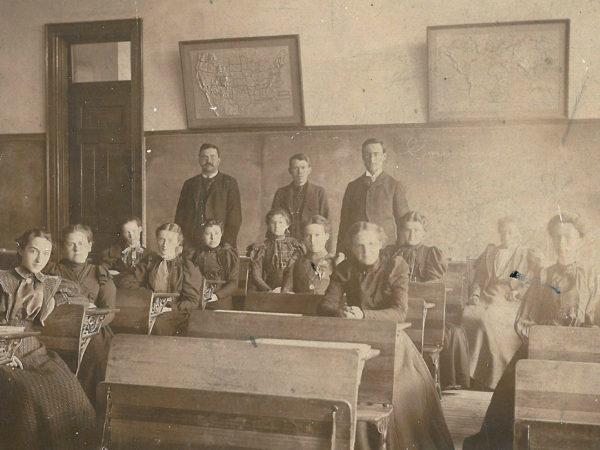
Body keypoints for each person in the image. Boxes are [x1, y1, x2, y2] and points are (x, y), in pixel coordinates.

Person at [463, 212, 599, 450]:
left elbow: (595, 317)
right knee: (512, 390)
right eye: (557, 238)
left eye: (568, 237)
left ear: (580, 240)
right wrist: (543, 337)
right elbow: (526, 317)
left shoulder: (592, 276)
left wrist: (579, 339)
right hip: (541, 347)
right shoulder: (542, 273)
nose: (562, 244)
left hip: (582, 352)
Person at [319, 222, 454, 449]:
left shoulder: (394, 266)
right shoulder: (346, 268)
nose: (366, 251)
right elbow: (326, 305)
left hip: (392, 340)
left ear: (380, 244)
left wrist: (364, 314)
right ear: (352, 248)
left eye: (371, 244)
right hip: (353, 337)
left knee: (396, 395)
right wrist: (339, 312)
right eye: (359, 245)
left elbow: (399, 312)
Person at [0, 229, 96, 449]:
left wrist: (61, 300)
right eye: (33, 250)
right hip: (3, 350)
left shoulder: (50, 283)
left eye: (46, 252)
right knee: (27, 393)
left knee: (70, 387)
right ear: (21, 249)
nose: (39, 258)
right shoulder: (2, 279)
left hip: (35, 350)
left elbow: (79, 295)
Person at [392, 211, 470, 390]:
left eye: (417, 230)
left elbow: (431, 288)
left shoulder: (431, 254)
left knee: (453, 333)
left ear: (424, 232)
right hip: (396, 307)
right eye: (408, 230)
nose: (412, 235)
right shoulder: (391, 252)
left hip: (422, 308)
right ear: (401, 231)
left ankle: (446, 381)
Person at [461, 216, 541, 390]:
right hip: (487, 294)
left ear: (518, 234)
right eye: (504, 232)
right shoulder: (491, 252)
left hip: (507, 298)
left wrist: (518, 292)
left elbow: (527, 279)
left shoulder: (522, 254)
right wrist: (475, 294)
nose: (507, 235)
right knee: (469, 315)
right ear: (499, 233)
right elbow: (481, 277)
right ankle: (469, 376)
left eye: (511, 232)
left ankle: (492, 378)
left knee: (488, 320)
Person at [45, 224, 116, 405]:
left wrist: (90, 324)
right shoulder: (53, 272)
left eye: (81, 243)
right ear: (62, 247)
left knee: (95, 353)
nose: (76, 248)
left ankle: (89, 405)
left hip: (93, 330)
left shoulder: (100, 272)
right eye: (70, 244)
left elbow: (109, 310)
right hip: (59, 329)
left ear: (90, 246)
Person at [123, 223, 204, 336]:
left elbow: (192, 302)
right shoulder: (150, 262)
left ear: (178, 242)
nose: (165, 245)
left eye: (170, 240)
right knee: (129, 322)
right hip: (150, 308)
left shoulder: (186, 266)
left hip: (176, 312)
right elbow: (127, 282)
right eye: (162, 239)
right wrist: (149, 296)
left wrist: (169, 308)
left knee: (158, 324)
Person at [336, 138, 409, 257]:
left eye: (376, 154)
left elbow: (403, 224)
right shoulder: (353, 187)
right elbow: (344, 224)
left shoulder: (394, 186)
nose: (372, 159)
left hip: (385, 251)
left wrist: (401, 253)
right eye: (368, 154)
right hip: (357, 250)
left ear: (384, 156)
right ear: (363, 157)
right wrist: (340, 252)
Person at [175, 143, 242, 248]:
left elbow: (235, 216)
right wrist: (181, 242)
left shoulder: (229, 183)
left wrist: (226, 243)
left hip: (220, 244)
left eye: (212, 157)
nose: (208, 161)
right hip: (192, 245)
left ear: (219, 160)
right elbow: (180, 216)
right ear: (199, 160)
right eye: (204, 157)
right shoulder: (189, 184)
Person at [271, 153, 330, 241]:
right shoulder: (281, 193)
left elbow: (326, 224)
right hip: (286, 244)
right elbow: (273, 221)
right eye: (295, 168)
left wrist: (327, 252)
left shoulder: (319, 192)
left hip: (310, 244)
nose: (300, 172)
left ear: (309, 170)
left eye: (303, 168)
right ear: (290, 171)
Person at [248, 208, 303, 292]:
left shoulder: (295, 246)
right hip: (268, 288)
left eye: (280, 222)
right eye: (273, 222)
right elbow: (256, 275)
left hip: (291, 289)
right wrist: (268, 290)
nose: (277, 226)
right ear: (268, 225)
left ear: (287, 225)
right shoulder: (262, 247)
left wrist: (285, 290)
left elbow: (294, 272)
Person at [189, 220, 239, 310]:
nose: (213, 238)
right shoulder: (198, 254)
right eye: (208, 234)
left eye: (216, 233)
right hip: (199, 298)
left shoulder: (229, 254)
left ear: (221, 234)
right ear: (202, 236)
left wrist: (216, 296)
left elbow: (233, 283)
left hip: (221, 299)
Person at [282, 215, 336, 295]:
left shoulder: (335, 262)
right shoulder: (295, 263)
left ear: (326, 237)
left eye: (317, 235)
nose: (312, 240)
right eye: (308, 235)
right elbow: (286, 292)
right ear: (303, 238)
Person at [100, 215, 147, 284]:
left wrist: (119, 274)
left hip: (141, 292)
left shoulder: (149, 255)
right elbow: (103, 272)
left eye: (134, 231)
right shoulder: (112, 251)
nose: (131, 235)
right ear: (122, 233)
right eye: (127, 232)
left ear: (140, 229)